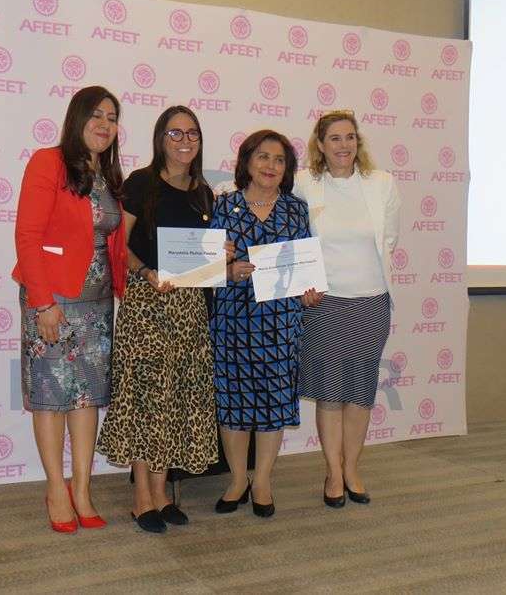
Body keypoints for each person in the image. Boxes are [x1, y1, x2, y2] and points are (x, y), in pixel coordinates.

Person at [96, 106, 220, 534]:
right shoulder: (141, 183)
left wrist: (220, 260)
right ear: (160, 138)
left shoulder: (205, 193)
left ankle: (163, 493)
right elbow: (119, 244)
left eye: (192, 133)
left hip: (188, 309)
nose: (184, 140)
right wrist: (146, 272)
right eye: (175, 132)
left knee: (176, 398)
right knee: (146, 398)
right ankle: (141, 498)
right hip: (147, 304)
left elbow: (204, 257)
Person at [12, 85, 127, 533]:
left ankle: (82, 488)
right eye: (96, 114)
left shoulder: (108, 175)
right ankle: (56, 489)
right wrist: (42, 301)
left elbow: (113, 240)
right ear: (77, 118)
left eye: (112, 117)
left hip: (98, 304)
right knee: (52, 396)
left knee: (86, 398)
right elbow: (28, 235)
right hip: (53, 298)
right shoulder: (49, 161)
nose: (104, 123)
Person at [292, 111, 400, 508]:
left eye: (350, 137)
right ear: (320, 144)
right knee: (330, 394)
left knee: (359, 393)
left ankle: (352, 468)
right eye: (334, 138)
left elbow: (390, 238)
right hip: (325, 304)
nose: (343, 145)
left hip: (372, 302)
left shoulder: (382, 184)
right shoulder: (304, 184)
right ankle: (333, 473)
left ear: (359, 142)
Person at [210, 129, 318, 518]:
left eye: (279, 159)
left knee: (273, 403)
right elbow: (202, 268)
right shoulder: (224, 206)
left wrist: (309, 291)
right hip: (232, 320)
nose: (270, 165)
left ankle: (263, 480)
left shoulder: (296, 209)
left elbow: (307, 268)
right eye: (263, 157)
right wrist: (227, 270)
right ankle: (238, 478)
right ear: (247, 162)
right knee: (234, 403)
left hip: (280, 322)